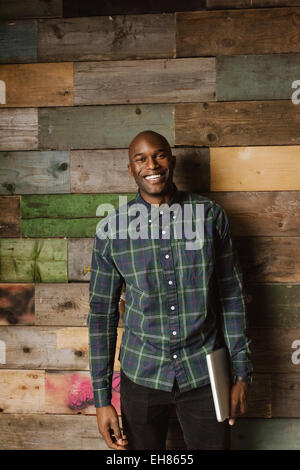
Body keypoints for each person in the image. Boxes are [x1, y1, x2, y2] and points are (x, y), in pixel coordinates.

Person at [87, 130, 253, 450]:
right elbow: (100, 316)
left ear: (171, 160)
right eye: (141, 158)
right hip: (142, 374)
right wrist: (101, 398)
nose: (152, 164)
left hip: (204, 374)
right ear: (131, 168)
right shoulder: (112, 230)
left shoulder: (210, 217)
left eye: (160, 154)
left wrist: (242, 375)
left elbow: (232, 298)